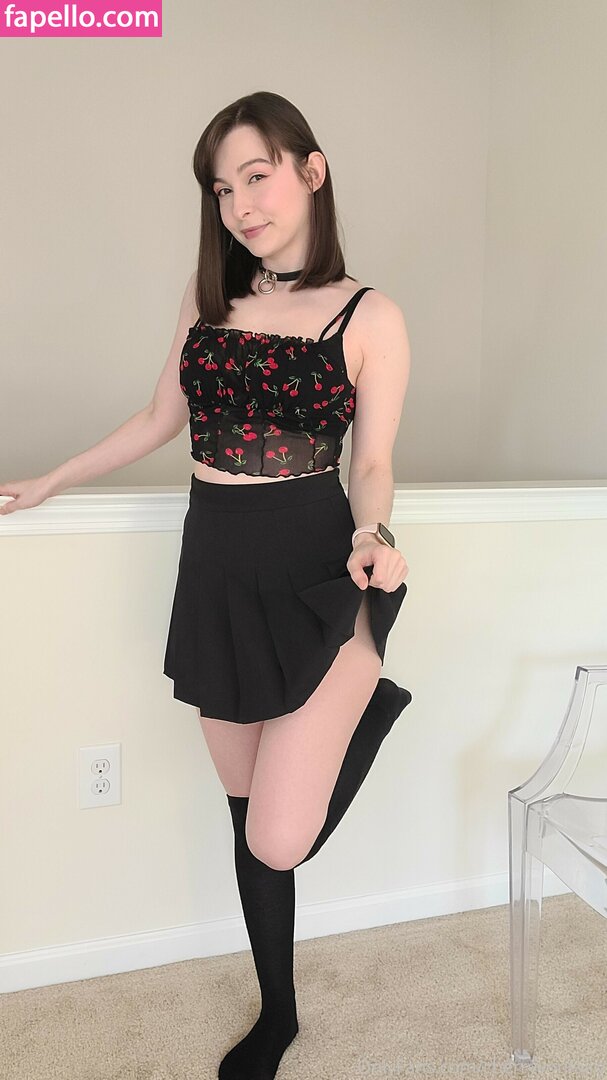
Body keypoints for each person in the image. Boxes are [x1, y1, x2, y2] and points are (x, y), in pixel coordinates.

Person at [0, 91, 413, 1080]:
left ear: (311, 170)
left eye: (255, 176)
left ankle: (370, 699)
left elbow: (371, 461)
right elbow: (159, 419)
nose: (239, 204)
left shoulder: (370, 315)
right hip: (217, 570)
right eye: (222, 189)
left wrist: (375, 531)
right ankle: (279, 1015)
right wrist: (52, 479)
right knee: (243, 814)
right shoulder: (209, 297)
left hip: (317, 573)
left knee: (276, 834)